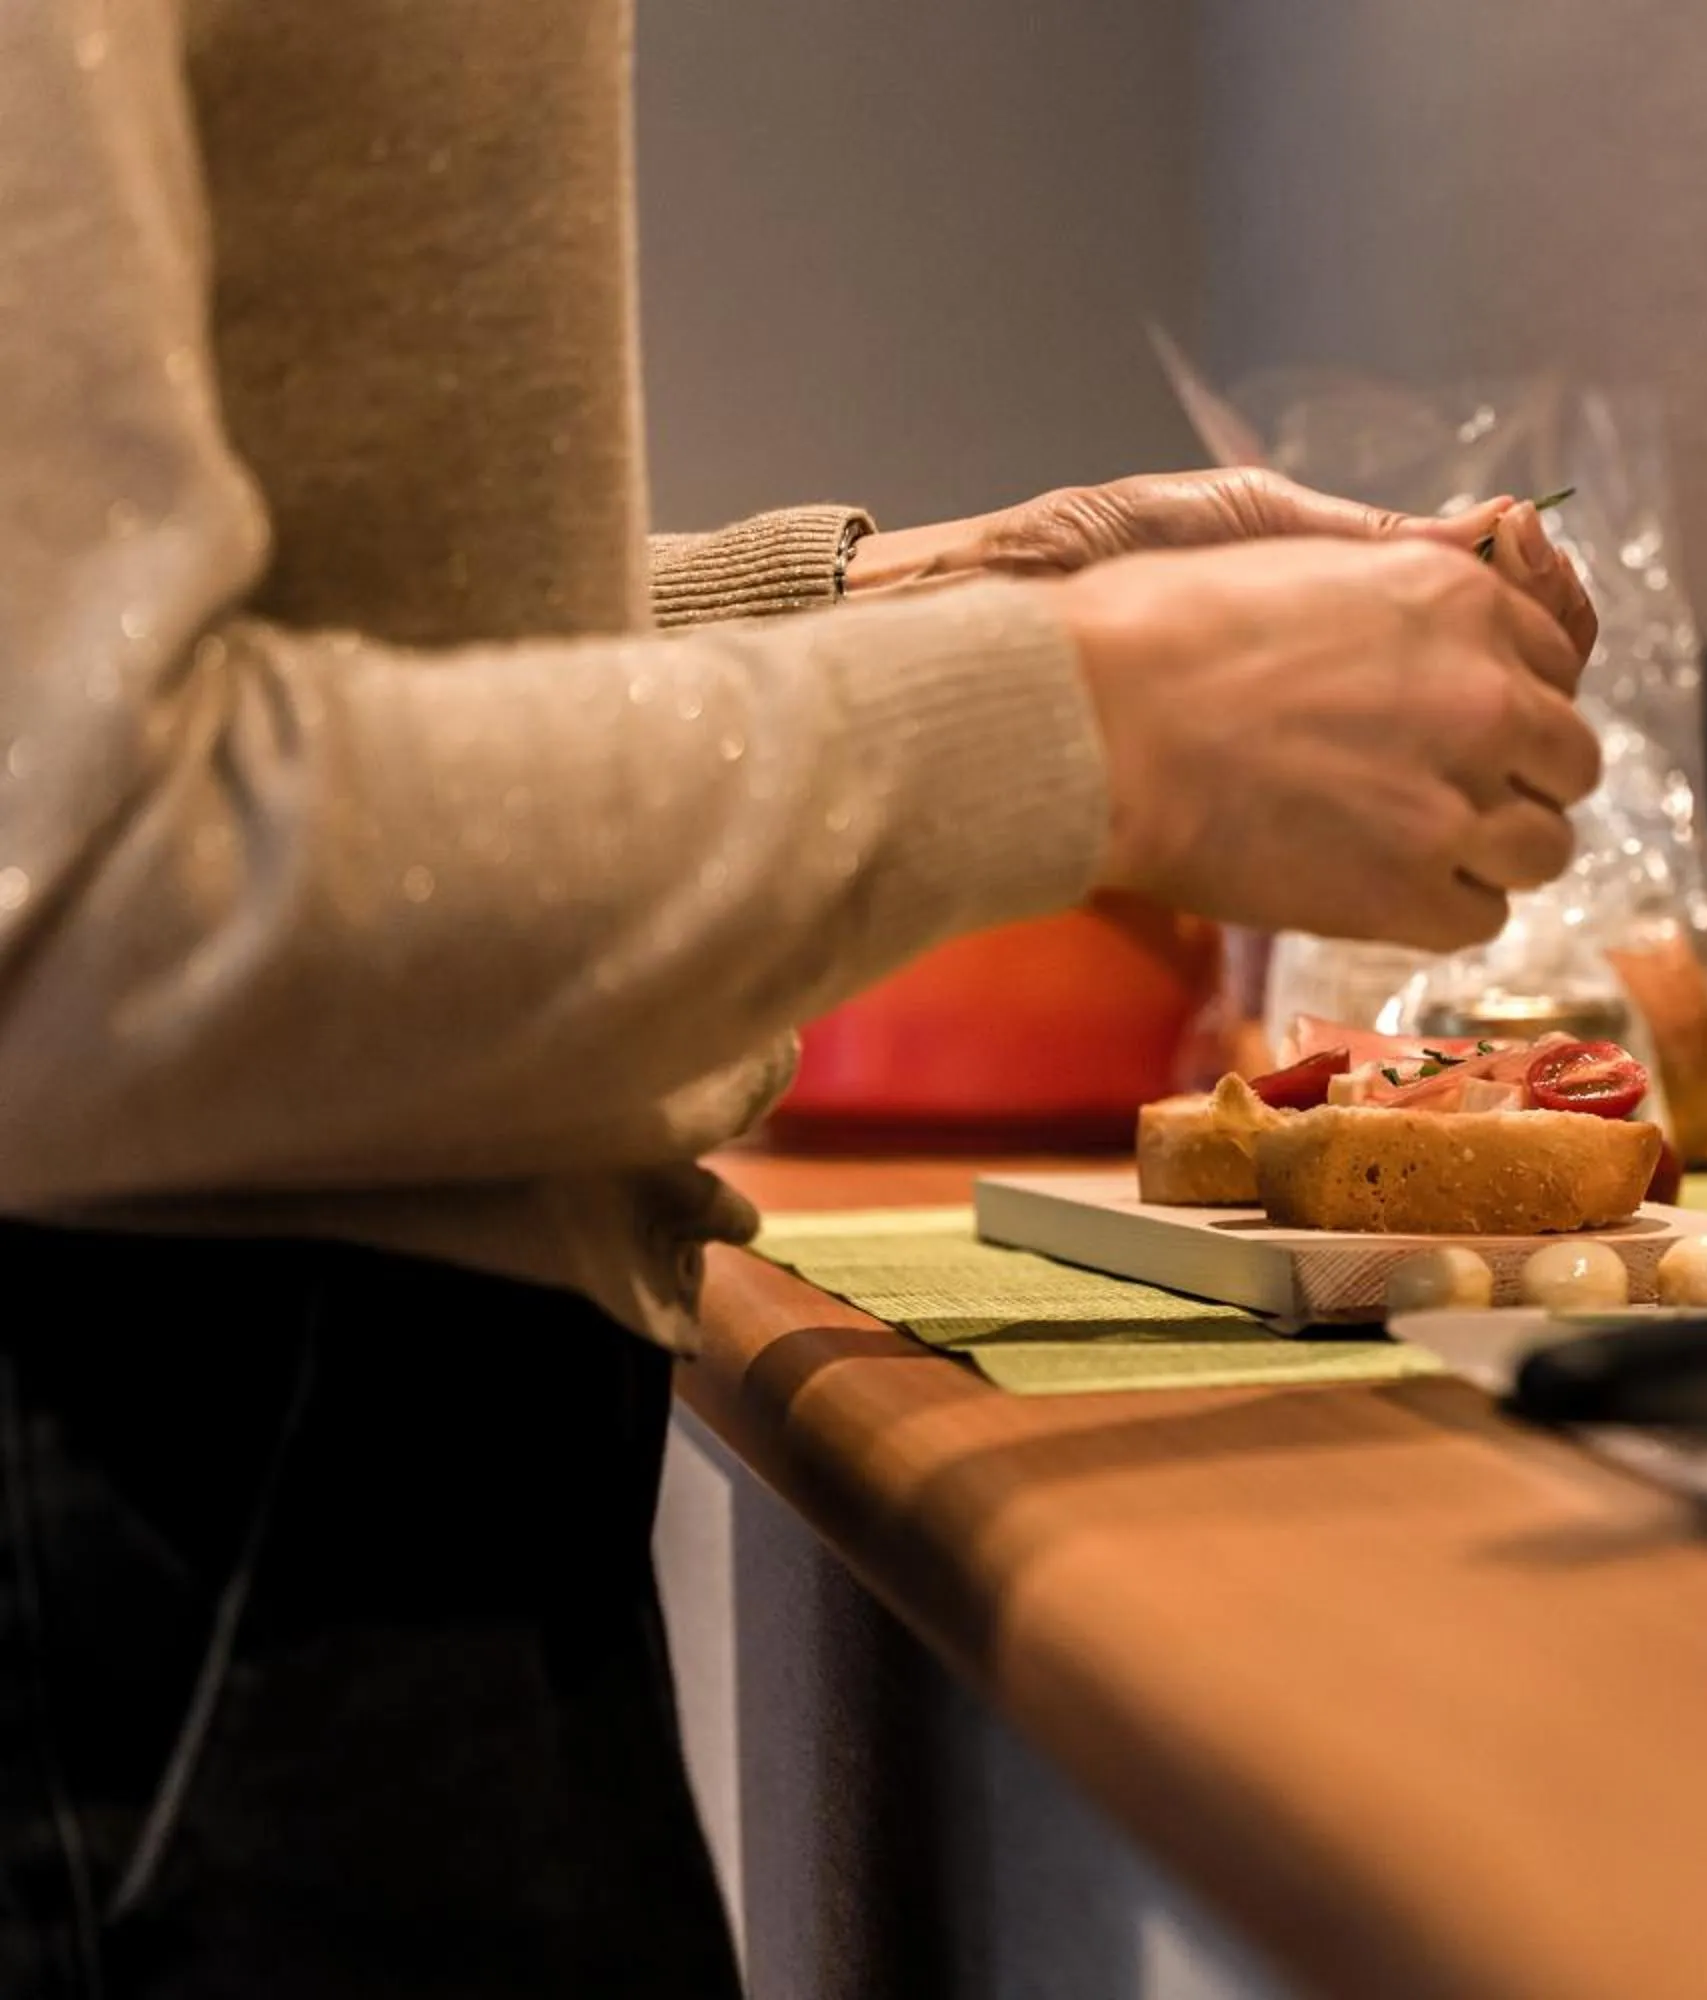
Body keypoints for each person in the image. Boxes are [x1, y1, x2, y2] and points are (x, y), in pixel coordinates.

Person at [0, 6, 1601, 1995]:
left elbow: (320, 611)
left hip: (309, 1519)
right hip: (177, 1548)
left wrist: (960, 601)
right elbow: (65, 874)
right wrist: (1086, 719)